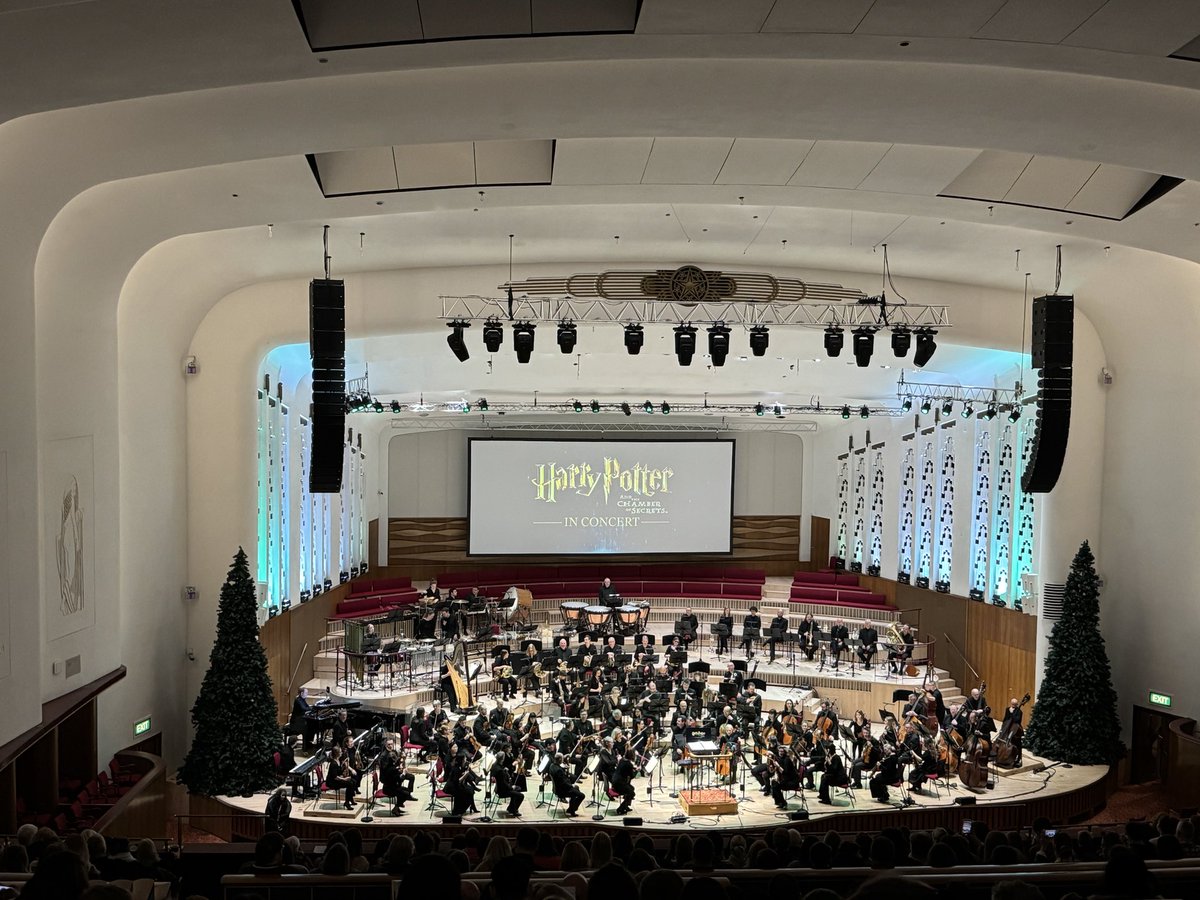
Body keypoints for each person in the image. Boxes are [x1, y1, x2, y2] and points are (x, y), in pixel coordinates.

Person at [380, 738, 416, 814]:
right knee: (404, 793)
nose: (390, 746)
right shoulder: (384, 756)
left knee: (411, 778)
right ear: (385, 745)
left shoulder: (393, 752)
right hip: (389, 782)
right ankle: (397, 807)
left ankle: (399, 805)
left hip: (394, 777)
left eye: (391, 744)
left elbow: (397, 762)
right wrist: (400, 772)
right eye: (388, 744)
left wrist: (401, 762)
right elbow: (386, 770)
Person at [548, 753, 585, 817]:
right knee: (582, 795)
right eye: (562, 759)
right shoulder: (559, 770)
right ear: (559, 759)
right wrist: (571, 785)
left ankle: (571, 809)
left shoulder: (552, 766)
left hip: (557, 788)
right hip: (561, 791)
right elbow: (563, 783)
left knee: (576, 788)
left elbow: (562, 779)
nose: (562, 760)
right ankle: (572, 809)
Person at [490, 751, 525, 818]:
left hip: (499, 788)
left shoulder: (495, 765)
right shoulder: (500, 771)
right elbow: (504, 784)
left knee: (518, 789)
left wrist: (504, 769)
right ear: (503, 759)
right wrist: (512, 787)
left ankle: (511, 808)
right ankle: (514, 810)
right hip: (502, 791)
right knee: (521, 795)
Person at [610, 747, 637, 814]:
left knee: (632, 788)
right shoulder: (629, 764)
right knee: (632, 793)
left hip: (615, 782)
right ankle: (621, 808)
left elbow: (625, 769)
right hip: (619, 785)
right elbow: (632, 776)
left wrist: (632, 768)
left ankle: (626, 806)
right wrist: (637, 770)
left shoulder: (622, 760)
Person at [999, 697, 1025, 766]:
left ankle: (1018, 758)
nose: (1013, 706)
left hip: (1015, 730)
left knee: (1017, 744)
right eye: (1012, 704)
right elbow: (1005, 719)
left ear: (1017, 705)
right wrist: (1002, 728)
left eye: (1015, 705)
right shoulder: (1007, 709)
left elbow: (1017, 720)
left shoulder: (1019, 711)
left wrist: (1013, 713)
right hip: (1007, 728)